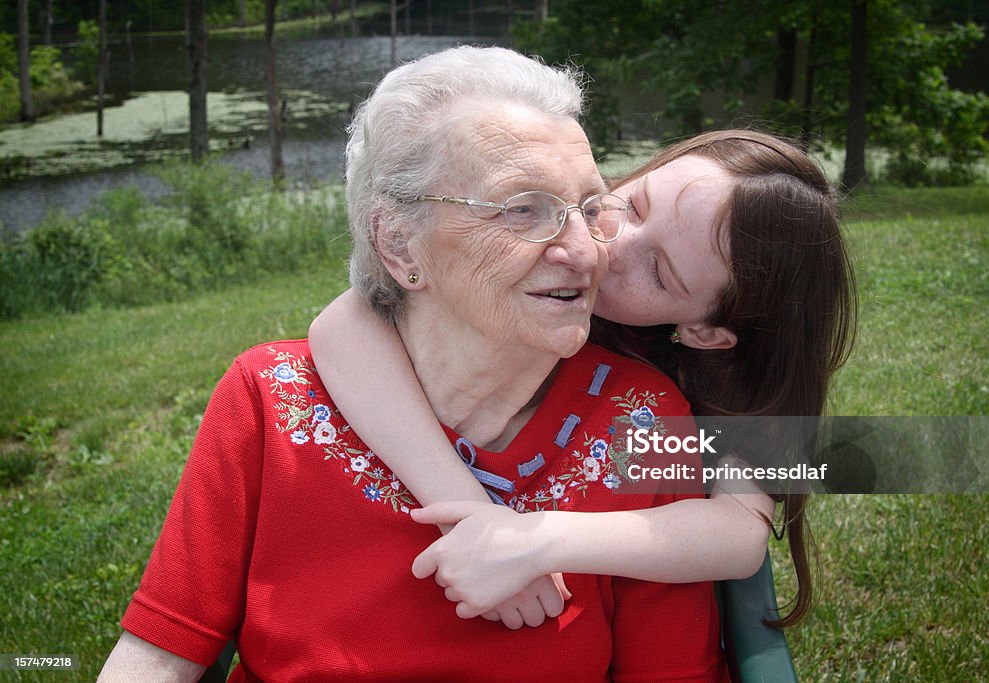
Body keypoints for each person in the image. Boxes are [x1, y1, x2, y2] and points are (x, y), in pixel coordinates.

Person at [99, 46, 729, 681]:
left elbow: (767, 513)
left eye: (588, 209)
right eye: (522, 209)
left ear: (714, 330)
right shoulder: (271, 397)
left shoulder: (663, 417)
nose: (590, 253)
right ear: (398, 241)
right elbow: (160, 650)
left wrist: (544, 537)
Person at [308, 128, 857, 629]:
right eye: (634, 204)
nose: (610, 247)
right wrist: (469, 511)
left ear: (706, 333)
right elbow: (347, 322)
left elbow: (738, 533)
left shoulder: (711, 389)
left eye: (659, 272)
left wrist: (540, 540)